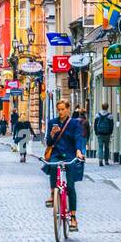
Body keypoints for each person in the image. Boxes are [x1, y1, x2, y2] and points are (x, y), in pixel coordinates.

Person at [43, 99, 87, 231]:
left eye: (63, 109)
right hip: (56, 153)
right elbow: (49, 142)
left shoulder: (74, 123)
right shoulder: (53, 123)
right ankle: (52, 194)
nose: (61, 112)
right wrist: (51, 134)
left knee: (71, 186)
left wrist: (79, 151)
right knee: (51, 165)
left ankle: (73, 217)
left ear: (68, 109)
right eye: (59, 109)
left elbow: (78, 137)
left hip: (69, 154)